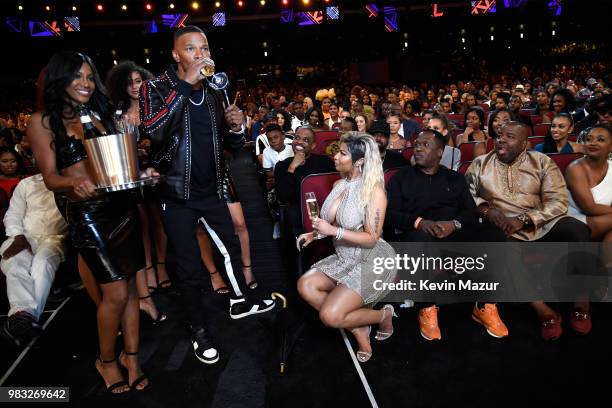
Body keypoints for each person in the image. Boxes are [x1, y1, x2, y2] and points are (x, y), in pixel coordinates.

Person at [139, 26, 276, 364]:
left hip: (211, 189)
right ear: (176, 55)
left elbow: (230, 146)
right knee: (187, 268)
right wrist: (186, 83)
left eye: (204, 48)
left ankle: (241, 299)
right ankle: (198, 331)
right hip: (177, 194)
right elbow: (154, 132)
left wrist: (235, 126)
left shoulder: (216, 90)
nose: (200, 55)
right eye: (191, 49)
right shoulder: (154, 88)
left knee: (230, 247)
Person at [28, 51, 150, 393]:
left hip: (122, 209)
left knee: (129, 292)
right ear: (59, 81)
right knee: (114, 293)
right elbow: (51, 177)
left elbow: (118, 167)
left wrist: (144, 172)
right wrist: (72, 183)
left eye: (88, 76)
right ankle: (106, 361)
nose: (85, 83)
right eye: (76, 77)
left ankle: (133, 358)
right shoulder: (42, 121)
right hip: (88, 216)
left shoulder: (100, 114)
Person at [465, 122, 592, 341]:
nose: (501, 139)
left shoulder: (542, 162)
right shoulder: (480, 164)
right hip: (502, 227)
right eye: (499, 135)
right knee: (503, 249)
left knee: (577, 230)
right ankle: (543, 310)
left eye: (510, 137)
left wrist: (525, 219)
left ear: (525, 144)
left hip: (541, 223)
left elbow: (558, 201)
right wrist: (486, 210)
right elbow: (465, 197)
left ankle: (582, 301)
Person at [385, 130, 508, 340]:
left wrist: (455, 224)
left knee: (493, 234)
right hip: (417, 234)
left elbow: (470, 211)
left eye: (425, 145)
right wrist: (420, 222)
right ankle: (427, 306)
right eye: (416, 144)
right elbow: (391, 214)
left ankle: (484, 305)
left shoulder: (455, 178)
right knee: (419, 241)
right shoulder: (401, 178)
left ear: (440, 152)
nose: (418, 148)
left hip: (452, 232)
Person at [297, 132, 397, 363]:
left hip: (372, 259)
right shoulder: (339, 183)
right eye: (337, 151)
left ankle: (384, 315)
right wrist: (314, 234)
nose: (335, 157)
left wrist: (332, 232)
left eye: (342, 153)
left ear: (360, 161)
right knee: (306, 285)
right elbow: (332, 223)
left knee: (330, 316)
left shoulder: (374, 192)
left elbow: (372, 238)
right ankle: (358, 326)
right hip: (344, 257)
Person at [105, 60, 168, 325]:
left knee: (159, 221)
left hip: (156, 169)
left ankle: (163, 266)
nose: (134, 86)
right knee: (139, 223)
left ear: (146, 82)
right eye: (128, 82)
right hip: (130, 173)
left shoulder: (154, 107)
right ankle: (149, 270)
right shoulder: (116, 113)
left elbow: (166, 138)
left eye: (138, 81)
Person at [0, 174, 67, 347]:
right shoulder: (27, 184)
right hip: (24, 236)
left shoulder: (72, 182)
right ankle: (26, 319)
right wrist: (18, 236)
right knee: (14, 264)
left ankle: (22, 316)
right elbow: (13, 214)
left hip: (55, 238)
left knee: (42, 264)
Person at [274, 126, 335, 233]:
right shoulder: (282, 166)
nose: (299, 142)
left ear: (313, 145)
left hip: (325, 206)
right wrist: (292, 167)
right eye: (297, 138)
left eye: (305, 140)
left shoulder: (325, 161)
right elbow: (283, 197)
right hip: (298, 209)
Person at [566, 124, 612, 243]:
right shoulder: (575, 168)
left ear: (611, 147)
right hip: (575, 222)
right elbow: (589, 208)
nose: (592, 143)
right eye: (588, 139)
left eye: (600, 140)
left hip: (604, 219)